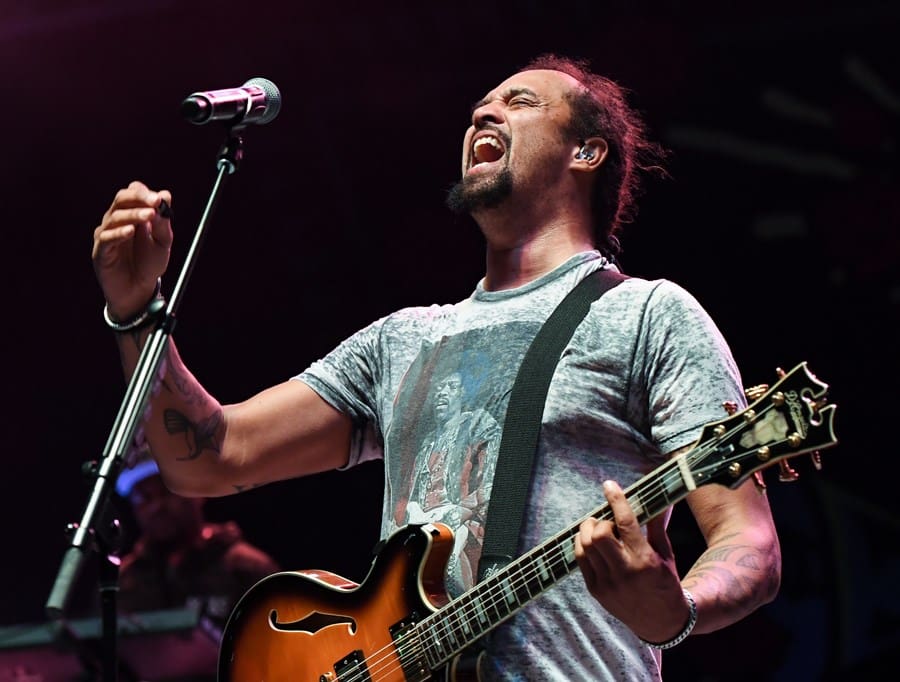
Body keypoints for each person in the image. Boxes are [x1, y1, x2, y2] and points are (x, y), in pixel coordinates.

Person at [91, 54, 781, 680]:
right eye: (480, 106)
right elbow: (208, 457)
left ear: (587, 150)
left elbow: (747, 540)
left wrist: (677, 610)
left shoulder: (648, 315)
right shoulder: (402, 340)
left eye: (519, 102)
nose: (484, 114)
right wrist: (136, 309)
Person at [111, 453, 280, 681]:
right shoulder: (122, 581)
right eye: (144, 498)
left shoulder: (246, 566)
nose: (157, 507)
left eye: (167, 491)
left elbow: (280, 652)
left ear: (198, 492)